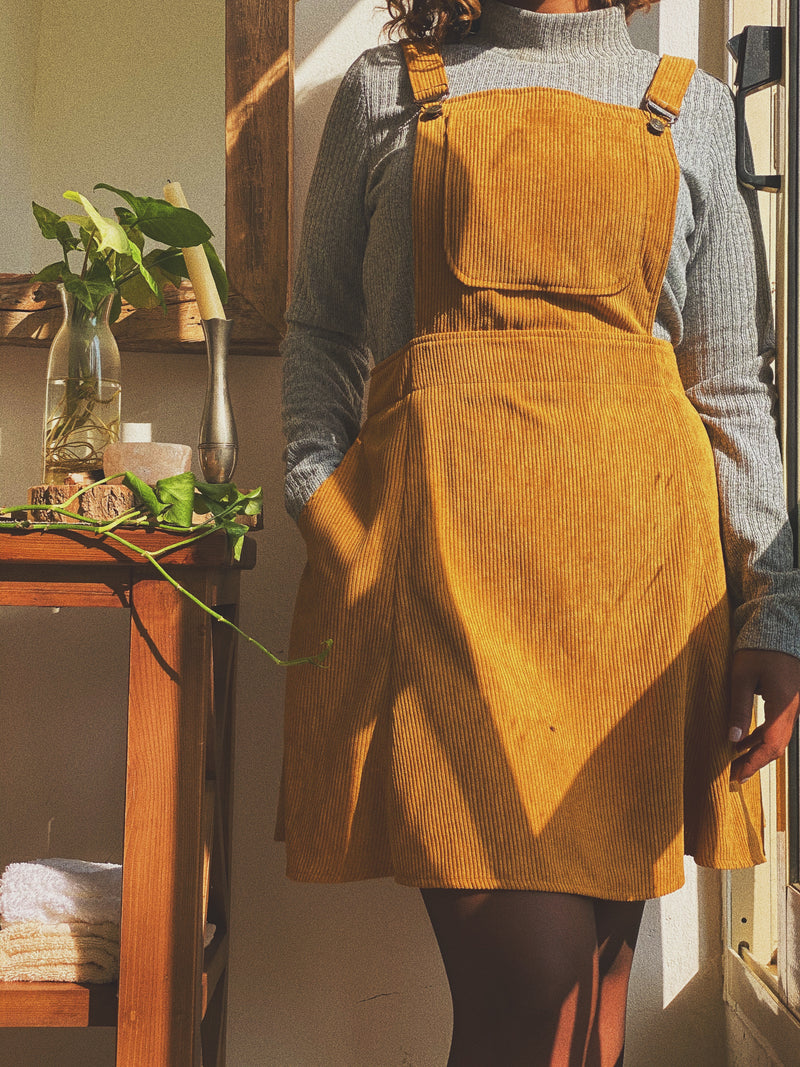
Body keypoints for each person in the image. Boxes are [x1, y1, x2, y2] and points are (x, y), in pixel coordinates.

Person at [277, 0, 800, 1062]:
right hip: (437, 593)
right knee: (535, 1001)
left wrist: (775, 606)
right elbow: (320, 334)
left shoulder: (689, 107)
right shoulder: (387, 91)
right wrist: (329, 511)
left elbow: (729, 384)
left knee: (593, 1014)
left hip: (640, 609)